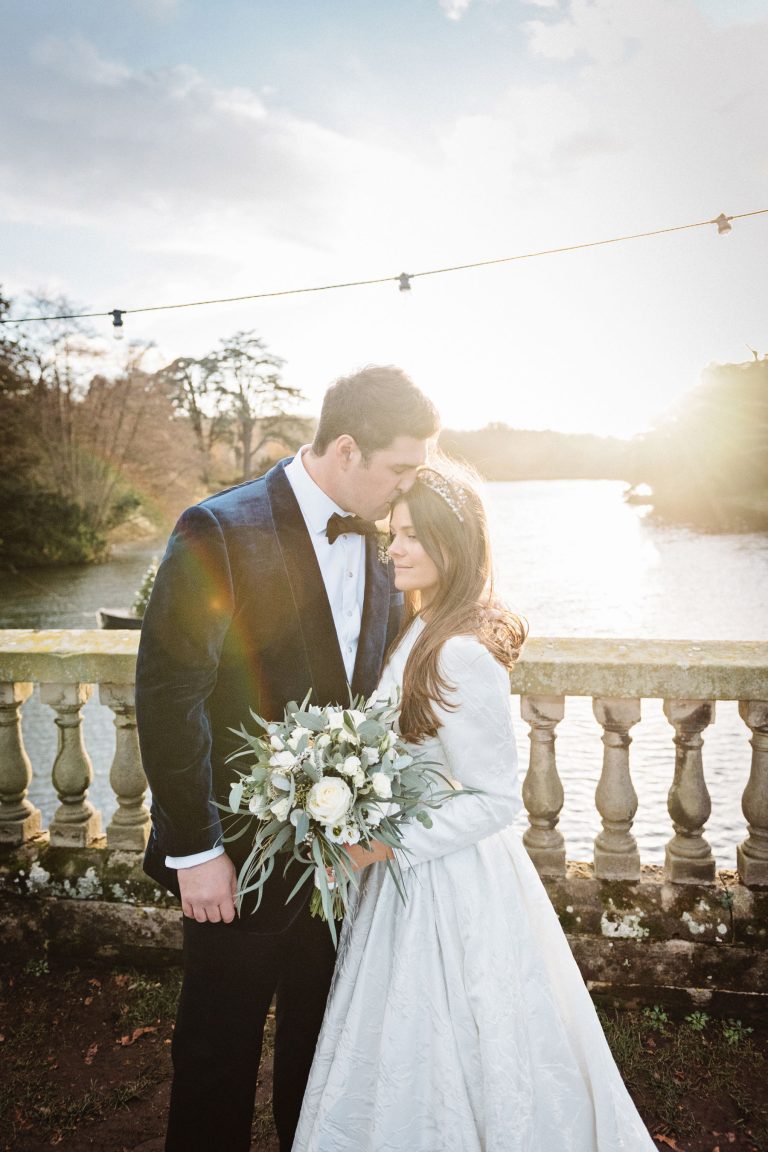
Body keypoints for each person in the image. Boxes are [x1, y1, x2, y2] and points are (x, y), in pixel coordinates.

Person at [292, 464, 657, 1152]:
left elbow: (493, 801)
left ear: (452, 547)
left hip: (447, 883)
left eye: (408, 537)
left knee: (463, 1040)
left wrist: (381, 844)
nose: (391, 548)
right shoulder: (421, 625)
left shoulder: (459, 652)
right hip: (407, 884)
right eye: (391, 533)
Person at [134, 365, 440, 1152]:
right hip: (234, 857)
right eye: (403, 469)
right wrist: (193, 850)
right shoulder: (219, 529)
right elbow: (170, 695)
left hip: (344, 860)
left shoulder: (387, 540)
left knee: (326, 1051)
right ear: (346, 448)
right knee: (216, 1051)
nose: (411, 489)